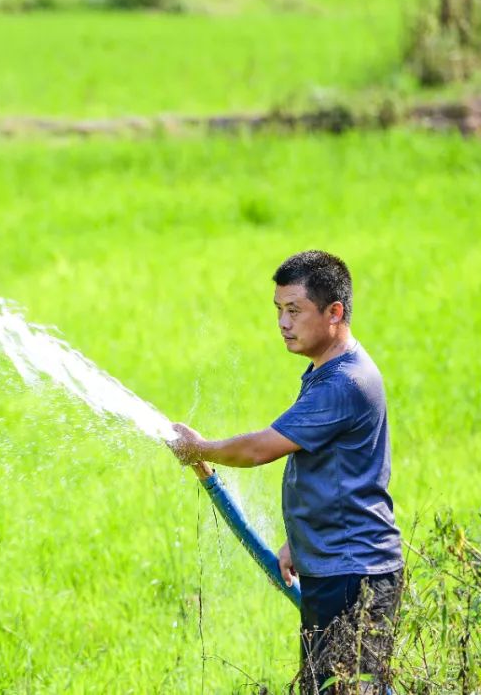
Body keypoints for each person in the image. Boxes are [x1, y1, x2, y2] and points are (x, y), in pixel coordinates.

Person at [167, 250, 404, 694]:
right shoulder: (324, 372)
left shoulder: (345, 383)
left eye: (294, 310)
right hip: (335, 567)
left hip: (355, 574)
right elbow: (333, 473)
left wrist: (198, 448)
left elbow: (261, 449)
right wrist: (300, 540)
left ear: (335, 312)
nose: (283, 322)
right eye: (278, 310)